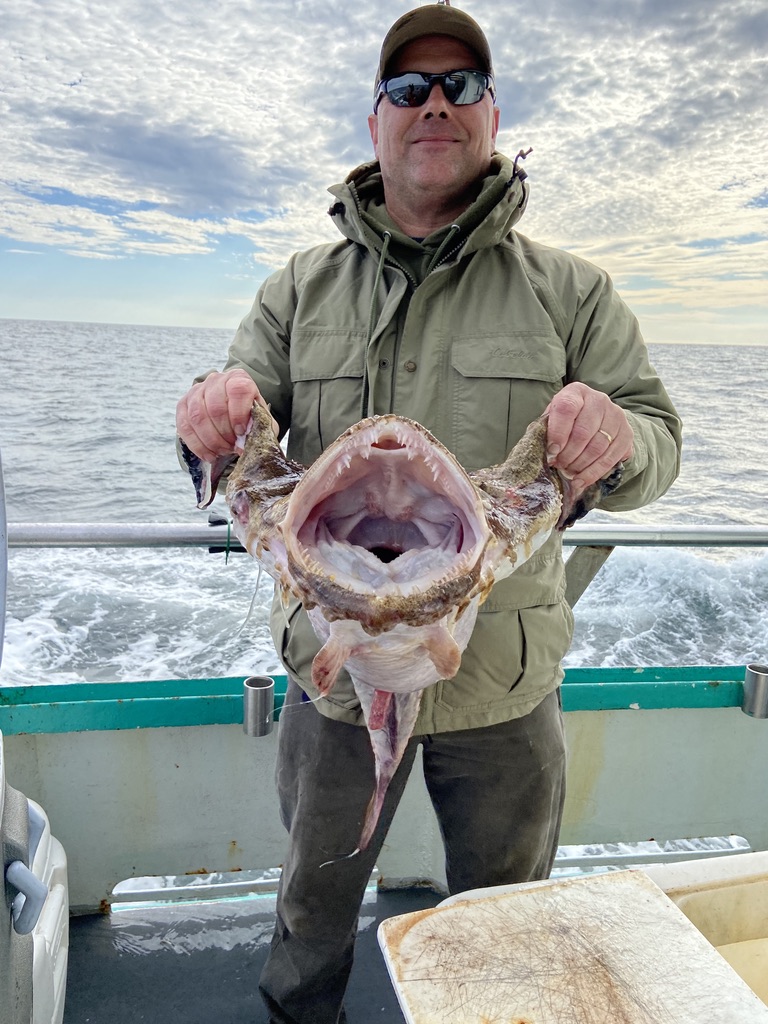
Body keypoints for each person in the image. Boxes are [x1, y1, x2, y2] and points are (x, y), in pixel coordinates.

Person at [176, 4, 682, 1021]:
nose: (436, 103)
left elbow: (658, 439)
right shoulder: (297, 288)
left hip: (504, 690)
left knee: (510, 928)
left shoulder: (573, 292)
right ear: (377, 122)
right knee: (309, 913)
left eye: (462, 85)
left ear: (493, 116)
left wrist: (618, 440)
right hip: (332, 679)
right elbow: (232, 434)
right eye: (409, 88)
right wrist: (202, 421)